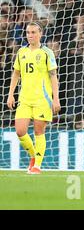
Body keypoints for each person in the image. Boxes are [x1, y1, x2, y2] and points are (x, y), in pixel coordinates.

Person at [7, 21, 60, 175]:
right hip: (24, 98)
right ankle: (33, 155)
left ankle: (37, 165)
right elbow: (16, 73)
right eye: (28, 32)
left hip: (42, 99)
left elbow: (53, 77)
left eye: (33, 32)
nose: (30, 35)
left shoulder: (47, 53)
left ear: (40, 34)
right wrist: (11, 94)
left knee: (38, 131)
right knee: (20, 131)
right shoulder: (21, 52)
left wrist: (56, 99)